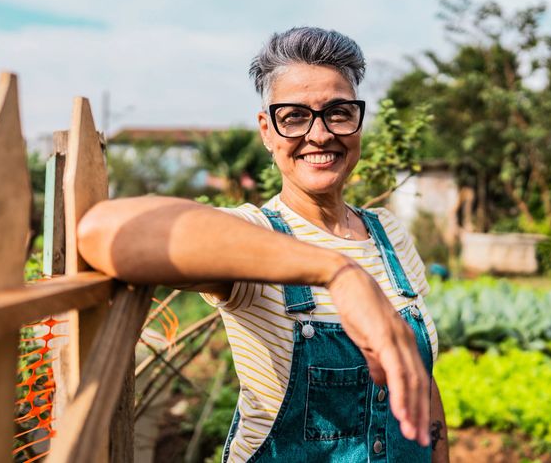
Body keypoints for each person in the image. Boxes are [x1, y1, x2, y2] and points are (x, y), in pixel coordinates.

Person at [77, 27, 449, 462]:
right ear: (267, 130)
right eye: (294, 117)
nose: (321, 134)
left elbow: (422, 389)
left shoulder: (389, 234)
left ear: (358, 121)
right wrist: (337, 272)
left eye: (339, 112)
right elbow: (104, 231)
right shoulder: (252, 237)